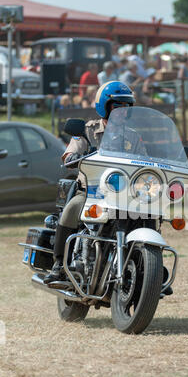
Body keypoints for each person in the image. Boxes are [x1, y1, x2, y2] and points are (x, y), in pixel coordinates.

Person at [44, 81, 136, 285]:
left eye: (126, 109)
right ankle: (59, 264)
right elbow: (70, 153)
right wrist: (71, 157)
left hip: (122, 196)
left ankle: (147, 266)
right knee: (70, 210)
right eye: (117, 107)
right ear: (105, 106)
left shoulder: (133, 137)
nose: (122, 112)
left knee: (147, 213)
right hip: (90, 193)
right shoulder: (87, 130)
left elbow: (145, 160)